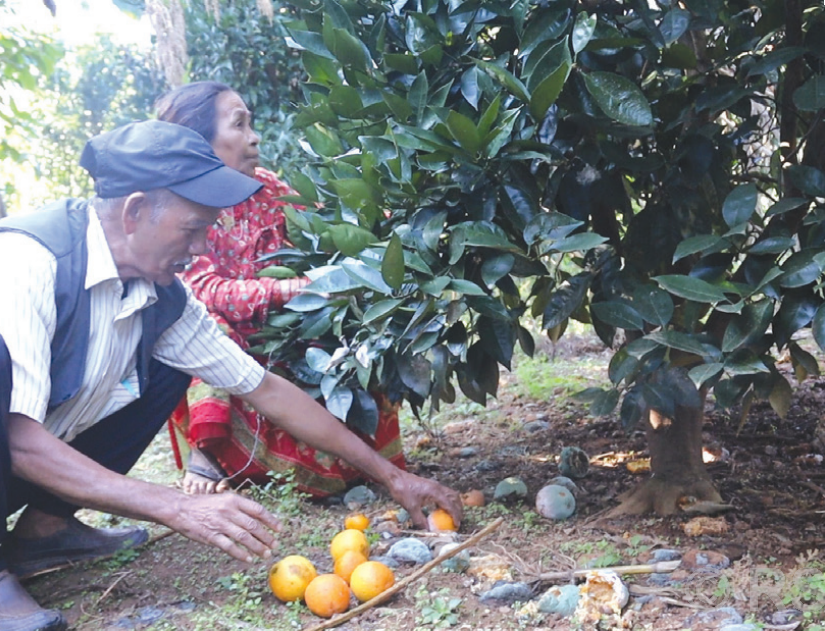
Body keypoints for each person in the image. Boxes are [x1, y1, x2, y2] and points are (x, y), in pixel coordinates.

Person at [0, 120, 462, 631]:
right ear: (134, 212)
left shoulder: (161, 296)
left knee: (167, 367)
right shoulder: (28, 264)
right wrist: (175, 506)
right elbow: (18, 441)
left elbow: (263, 388)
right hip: (17, 453)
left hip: (19, 471)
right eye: (191, 228)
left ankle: (44, 534)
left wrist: (392, 476)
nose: (201, 248)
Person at [156, 82, 406, 497]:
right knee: (206, 321)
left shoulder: (267, 187)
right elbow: (204, 291)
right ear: (199, 140)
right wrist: (298, 288)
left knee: (360, 327)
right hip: (228, 345)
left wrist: (379, 216)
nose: (254, 137)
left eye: (251, 124)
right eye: (239, 125)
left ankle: (357, 453)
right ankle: (211, 450)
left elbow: (321, 226)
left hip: (283, 337)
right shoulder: (179, 204)